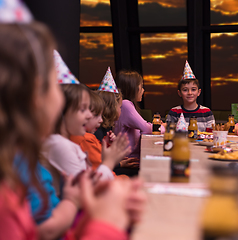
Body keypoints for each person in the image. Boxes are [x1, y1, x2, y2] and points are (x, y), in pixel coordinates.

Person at [0, 20, 144, 240]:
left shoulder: (22, 161)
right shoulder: (8, 192)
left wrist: (93, 212)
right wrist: (107, 221)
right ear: (37, 96)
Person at [42, 83, 131, 189]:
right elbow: (87, 190)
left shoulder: (66, 142)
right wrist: (108, 162)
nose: (89, 116)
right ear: (63, 112)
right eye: (82, 109)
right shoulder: (60, 145)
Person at [114, 70, 165, 176]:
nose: (143, 90)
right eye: (141, 87)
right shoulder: (125, 104)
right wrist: (163, 126)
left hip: (131, 160)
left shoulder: (126, 105)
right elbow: (147, 129)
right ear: (133, 89)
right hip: (131, 162)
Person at [166, 60, 215, 131]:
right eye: (185, 90)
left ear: (199, 92)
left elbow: (210, 135)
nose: (189, 93)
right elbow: (169, 134)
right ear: (179, 93)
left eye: (193, 89)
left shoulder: (206, 112)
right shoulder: (174, 112)